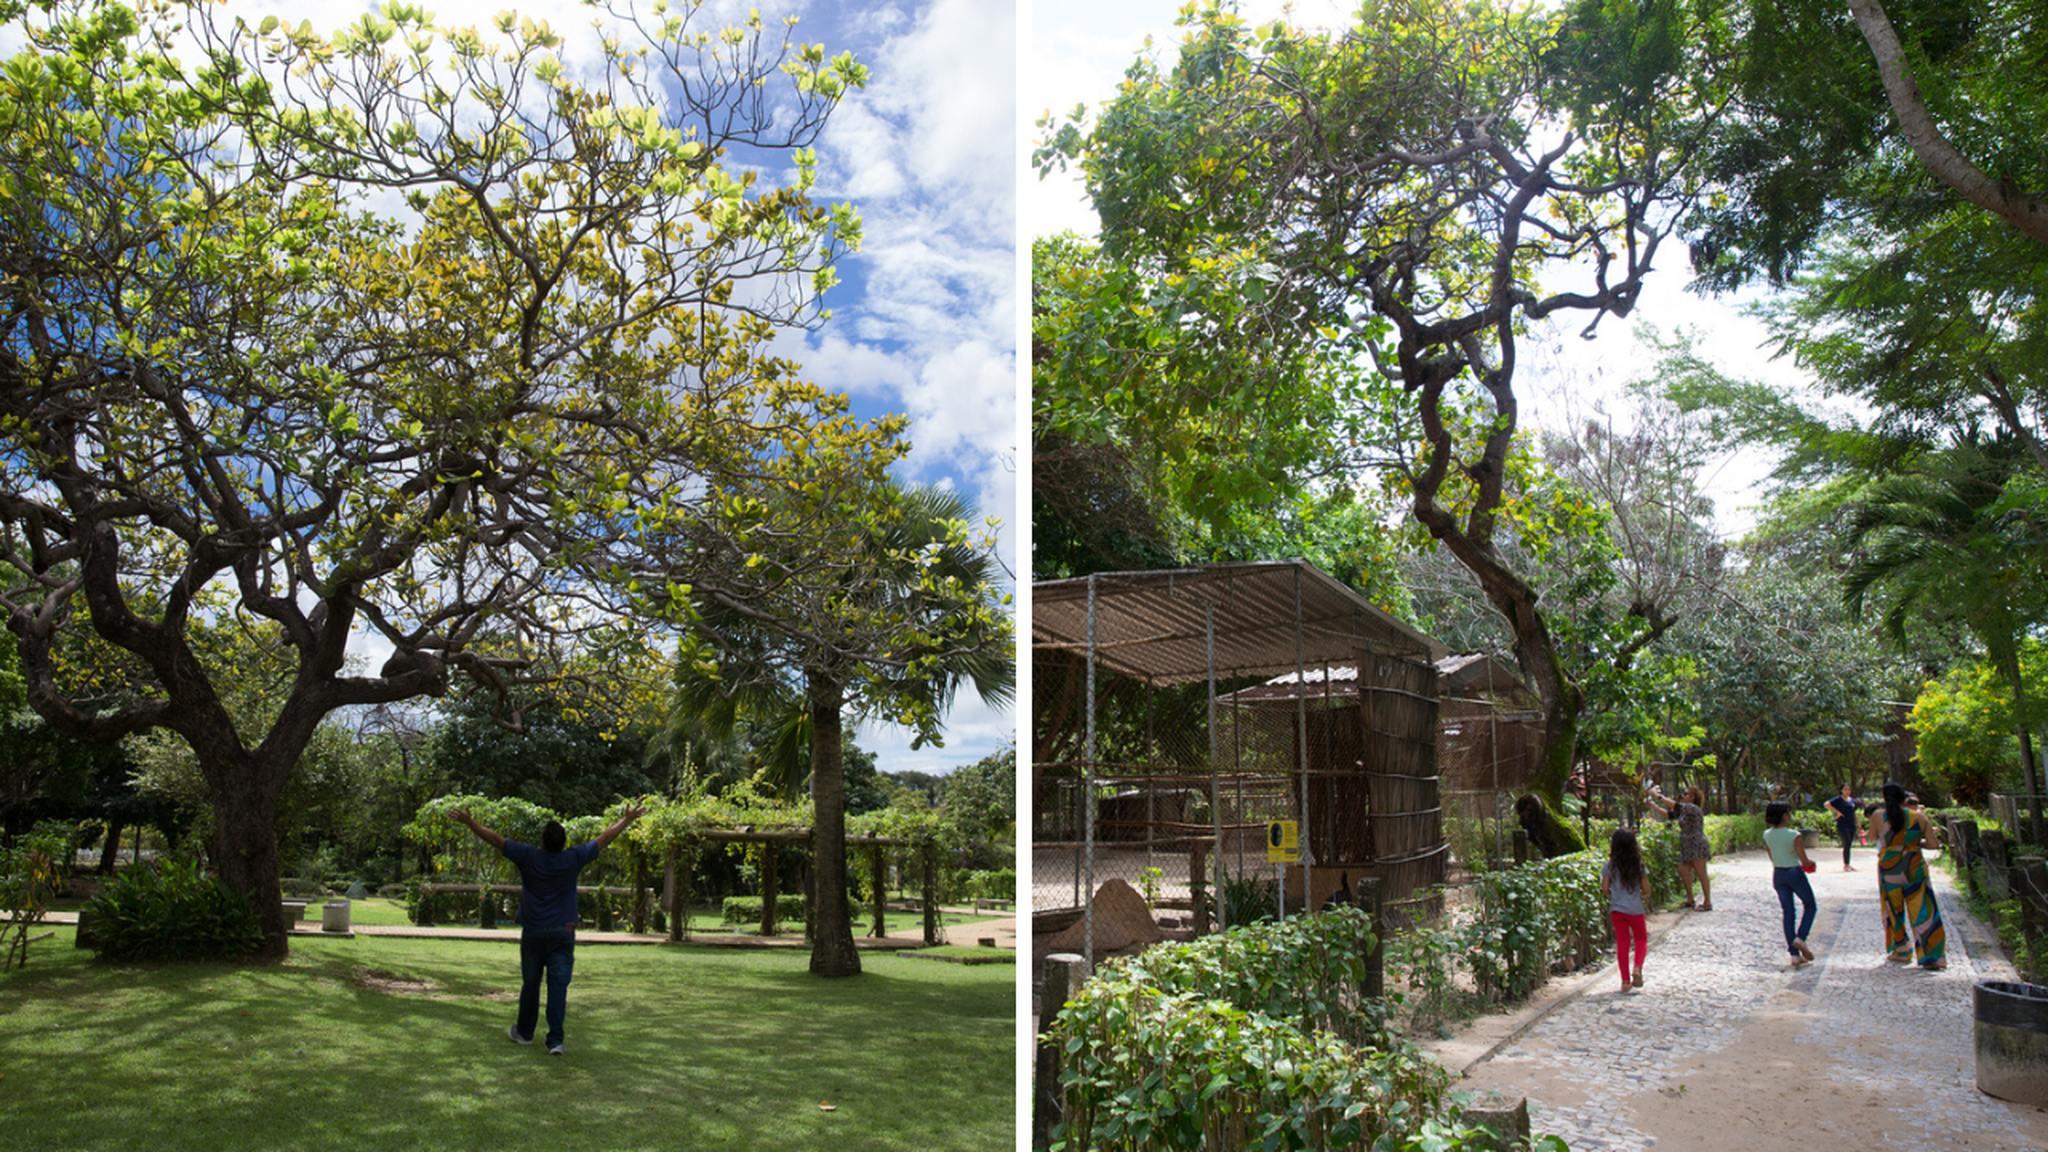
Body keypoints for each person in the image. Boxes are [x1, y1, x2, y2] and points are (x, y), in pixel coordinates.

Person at [448, 802, 647, 1054]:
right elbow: (603, 839)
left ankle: (525, 1033)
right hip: (563, 932)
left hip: (533, 931)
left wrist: (469, 822)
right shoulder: (573, 858)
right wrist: (627, 820)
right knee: (558, 986)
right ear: (563, 842)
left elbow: (496, 840)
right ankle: (555, 1041)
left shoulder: (529, 856)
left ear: (542, 840)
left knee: (531, 983)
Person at [1873, 782, 1946, 970]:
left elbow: (1873, 836)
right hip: (1914, 866)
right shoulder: (1919, 817)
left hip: (1889, 867)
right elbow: (1933, 844)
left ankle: (1902, 949)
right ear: (1904, 798)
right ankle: (1933, 955)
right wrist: (1914, 844)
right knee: (1923, 909)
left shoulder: (1878, 816)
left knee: (1893, 909)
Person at [1763, 801, 1819, 967]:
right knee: (1810, 905)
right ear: (1785, 815)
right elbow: (1803, 859)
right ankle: (1800, 938)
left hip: (1778, 873)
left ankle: (1794, 955)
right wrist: (1811, 863)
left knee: (1788, 912)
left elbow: (1772, 856)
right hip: (1794, 872)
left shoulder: (1767, 834)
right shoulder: (1794, 835)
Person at [1647, 784, 1714, 910]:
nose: (1682, 795)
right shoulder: (1685, 810)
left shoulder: (1692, 808)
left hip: (1697, 845)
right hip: (1687, 846)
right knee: (1683, 870)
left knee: (1701, 874)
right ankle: (1690, 899)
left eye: (1686, 794)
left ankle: (1707, 902)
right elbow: (1670, 815)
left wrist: (1658, 796)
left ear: (1692, 797)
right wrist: (1654, 806)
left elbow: (1674, 805)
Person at [1602, 828, 1651, 992]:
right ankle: (1637, 967)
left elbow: (1605, 888)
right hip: (1635, 909)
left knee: (1622, 943)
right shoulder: (1639, 866)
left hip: (1617, 910)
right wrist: (1642, 894)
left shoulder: (1609, 866)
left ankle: (1624, 981)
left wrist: (1613, 893)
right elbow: (1646, 889)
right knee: (1641, 939)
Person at [1823, 783, 1860, 871]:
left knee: (1849, 844)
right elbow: (1826, 804)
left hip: (1852, 824)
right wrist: (1836, 812)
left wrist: (1858, 823)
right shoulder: (1838, 799)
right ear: (1841, 790)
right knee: (1846, 842)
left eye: (1848, 789)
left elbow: (1854, 813)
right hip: (1842, 824)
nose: (1847, 791)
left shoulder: (1852, 801)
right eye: (1845, 789)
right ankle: (1846, 865)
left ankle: (1848, 864)